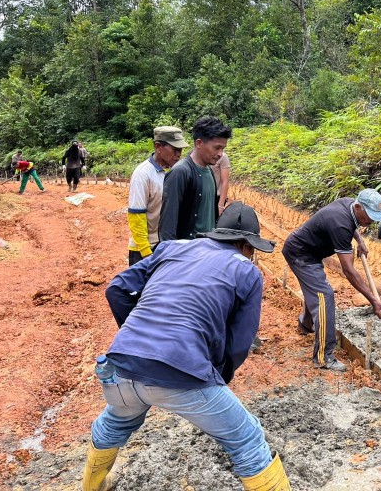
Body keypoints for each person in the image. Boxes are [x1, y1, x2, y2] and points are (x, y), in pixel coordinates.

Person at [82, 202, 290, 491]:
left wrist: (141, 338)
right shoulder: (246, 271)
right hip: (181, 372)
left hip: (119, 366)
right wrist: (218, 377)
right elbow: (239, 343)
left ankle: (92, 486)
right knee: (247, 439)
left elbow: (117, 289)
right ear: (246, 245)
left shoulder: (173, 248)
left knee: (114, 424)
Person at [282, 189, 381, 371]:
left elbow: (352, 225)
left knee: (316, 293)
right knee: (325, 295)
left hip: (311, 253)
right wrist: (373, 300)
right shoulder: (340, 224)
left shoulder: (348, 205)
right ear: (358, 207)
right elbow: (349, 270)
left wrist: (360, 242)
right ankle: (324, 357)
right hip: (301, 254)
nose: (370, 221)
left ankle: (306, 325)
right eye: (369, 215)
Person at [159, 116, 232, 241]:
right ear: (199, 143)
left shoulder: (209, 170)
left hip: (206, 250)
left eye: (223, 149)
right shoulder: (180, 172)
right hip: (189, 253)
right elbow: (167, 225)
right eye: (217, 148)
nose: (220, 154)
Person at [127, 126, 189, 265]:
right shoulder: (143, 174)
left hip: (168, 247)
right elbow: (136, 215)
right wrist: (147, 254)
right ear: (158, 146)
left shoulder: (177, 172)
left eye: (181, 150)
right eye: (175, 149)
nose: (179, 154)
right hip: (147, 249)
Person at [212, 150, 232, 216]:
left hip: (216, 197)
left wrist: (221, 204)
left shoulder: (223, 157)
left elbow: (225, 181)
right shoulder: (201, 156)